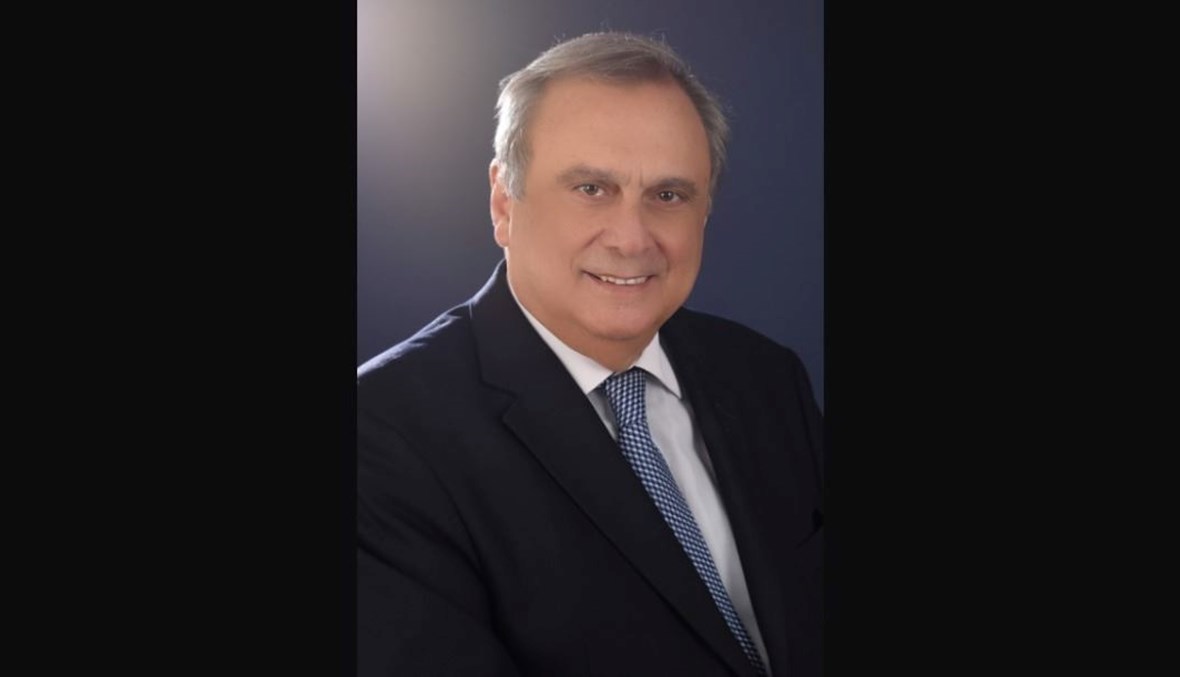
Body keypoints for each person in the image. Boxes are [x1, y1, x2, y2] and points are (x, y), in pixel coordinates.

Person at [357, 31, 823, 677]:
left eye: (668, 195)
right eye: (591, 189)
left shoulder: (767, 379)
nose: (632, 239)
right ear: (503, 202)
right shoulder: (383, 435)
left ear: (705, 211)